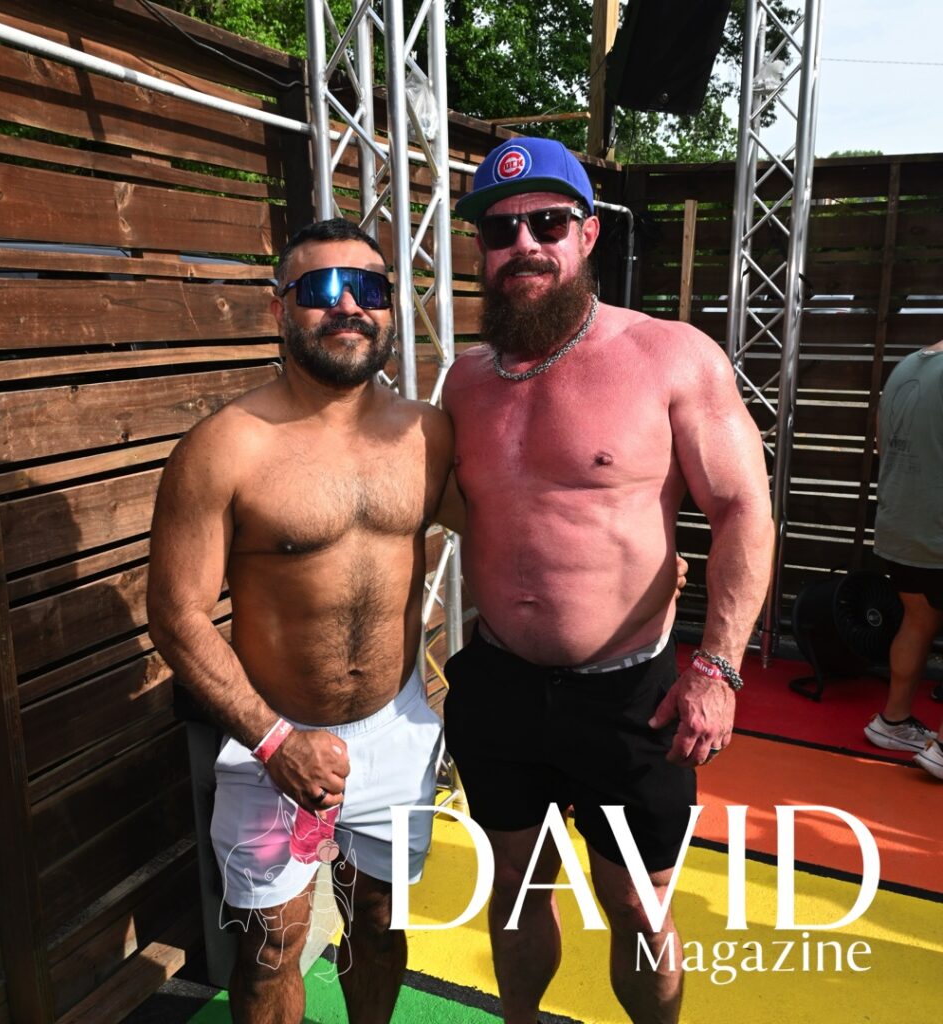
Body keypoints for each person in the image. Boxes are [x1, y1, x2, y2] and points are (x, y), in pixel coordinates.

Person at [441, 137, 775, 1024]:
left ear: (587, 234)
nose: (524, 244)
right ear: (482, 249)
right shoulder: (464, 380)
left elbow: (744, 508)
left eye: (547, 223)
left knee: (637, 904)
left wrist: (719, 668)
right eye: (501, 230)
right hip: (501, 682)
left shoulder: (670, 355)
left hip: (631, 697)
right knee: (516, 888)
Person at [147, 218, 454, 1024]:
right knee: (269, 949)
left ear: (391, 307)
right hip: (269, 739)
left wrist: (640, 564)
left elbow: (515, 525)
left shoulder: (428, 434)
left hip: (394, 729)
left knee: (378, 922)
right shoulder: (224, 447)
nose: (348, 305)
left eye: (370, 288)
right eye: (321, 288)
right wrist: (274, 741)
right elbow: (175, 616)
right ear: (278, 308)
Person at [865, 338, 943, 778]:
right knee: (917, 620)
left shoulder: (907, 366)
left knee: (917, 620)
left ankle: (892, 722)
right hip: (936, 527)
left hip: (900, 525)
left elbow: (882, 444)